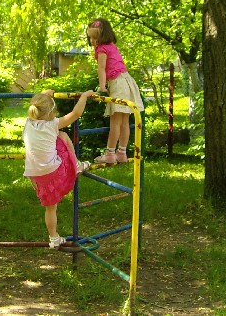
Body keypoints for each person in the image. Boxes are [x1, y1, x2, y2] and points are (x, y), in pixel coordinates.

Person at [23, 89, 94, 249]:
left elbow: (39, 104)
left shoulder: (28, 122)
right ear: (50, 113)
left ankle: (53, 238)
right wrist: (84, 96)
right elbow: (76, 114)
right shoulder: (52, 125)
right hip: (53, 172)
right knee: (63, 136)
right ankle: (77, 165)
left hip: (35, 176)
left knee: (50, 208)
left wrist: (45, 95)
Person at [86, 18, 144, 164]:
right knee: (124, 121)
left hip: (118, 83)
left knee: (115, 122)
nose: (92, 41)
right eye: (90, 37)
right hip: (127, 81)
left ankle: (110, 154)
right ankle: (122, 153)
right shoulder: (112, 46)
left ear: (103, 36)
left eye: (95, 38)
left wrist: (102, 87)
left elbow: (101, 69)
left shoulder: (102, 49)